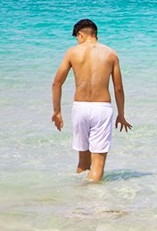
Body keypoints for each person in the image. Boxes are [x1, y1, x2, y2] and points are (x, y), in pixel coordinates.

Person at [51, 19, 132, 182]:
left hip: (80, 108)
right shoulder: (111, 53)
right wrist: (121, 114)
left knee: (83, 161)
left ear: (80, 35)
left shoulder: (72, 52)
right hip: (102, 108)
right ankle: (95, 201)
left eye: (76, 38)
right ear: (94, 33)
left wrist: (57, 112)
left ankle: (81, 201)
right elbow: (118, 88)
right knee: (98, 165)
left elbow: (57, 83)